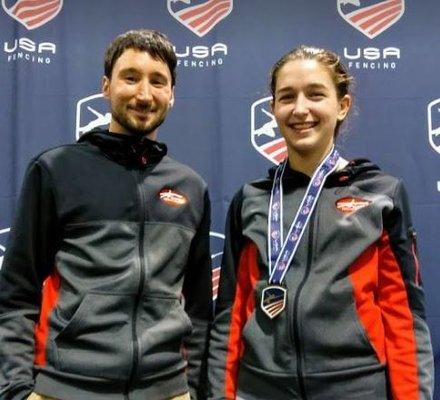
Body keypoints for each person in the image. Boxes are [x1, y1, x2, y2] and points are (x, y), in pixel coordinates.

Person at [208, 46, 434, 399]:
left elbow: (403, 316)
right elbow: (230, 316)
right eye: (287, 97)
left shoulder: (381, 195)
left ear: (342, 105)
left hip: (354, 386)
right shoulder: (251, 200)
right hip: (261, 387)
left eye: (315, 94)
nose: (300, 109)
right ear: (273, 110)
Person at [0, 29, 212, 400]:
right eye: (130, 78)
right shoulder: (56, 170)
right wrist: (15, 388)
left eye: (157, 82)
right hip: (67, 388)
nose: (144, 94)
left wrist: (191, 388)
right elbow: (17, 292)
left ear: (172, 95)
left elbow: (198, 308)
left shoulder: (190, 186)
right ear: (106, 86)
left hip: (166, 391)